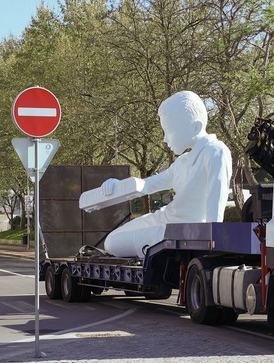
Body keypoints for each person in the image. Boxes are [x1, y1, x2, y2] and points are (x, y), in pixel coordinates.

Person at [94, 91, 232, 258]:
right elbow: (147, 185)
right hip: (167, 220)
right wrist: (117, 185)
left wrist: (212, 241)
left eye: (169, 131)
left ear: (195, 127)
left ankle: (163, 248)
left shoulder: (216, 151)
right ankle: (159, 246)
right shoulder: (182, 162)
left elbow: (216, 199)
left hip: (187, 230)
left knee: (114, 243)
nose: (165, 139)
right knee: (112, 240)